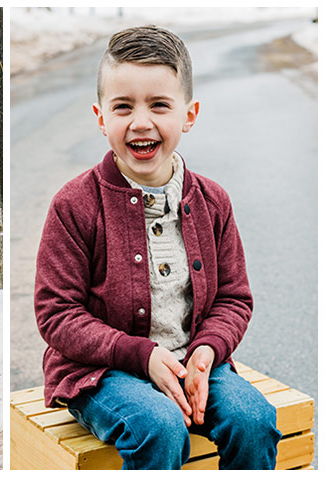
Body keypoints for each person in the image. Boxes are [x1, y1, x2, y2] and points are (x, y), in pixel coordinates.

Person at [33, 26, 280, 469]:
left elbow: (233, 298)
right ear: (100, 117)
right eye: (123, 106)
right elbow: (56, 313)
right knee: (159, 426)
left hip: (194, 359)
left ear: (189, 114)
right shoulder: (74, 206)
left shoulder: (213, 201)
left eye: (159, 105)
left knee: (254, 419)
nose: (141, 122)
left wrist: (207, 352)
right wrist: (140, 356)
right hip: (102, 372)